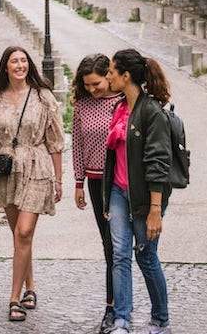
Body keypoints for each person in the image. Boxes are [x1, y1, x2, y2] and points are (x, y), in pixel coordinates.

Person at [0, 46, 65, 322]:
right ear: (6, 67)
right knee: (19, 234)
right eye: (14, 61)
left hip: (37, 166)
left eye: (24, 61)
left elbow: (55, 141)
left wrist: (59, 179)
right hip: (5, 170)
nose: (20, 65)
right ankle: (31, 286)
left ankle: (14, 299)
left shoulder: (43, 97)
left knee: (24, 232)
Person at [104, 49, 173, 334]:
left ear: (126, 76)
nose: (108, 76)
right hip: (119, 193)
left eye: (111, 72)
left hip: (145, 200)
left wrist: (156, 211)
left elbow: (158, 163)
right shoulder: (119, 108)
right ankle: (122, 320)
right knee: (120, 255)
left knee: (145, 256)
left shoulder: (151, 112)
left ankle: (160, 319)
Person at [72, 53, 122, 334]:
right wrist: (78, 183)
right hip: (94, 181)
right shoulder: (81, 105)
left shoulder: (122, 102)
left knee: (121, 246)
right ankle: (111, 307)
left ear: (108, 76)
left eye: (96, 83)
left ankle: (120, 305)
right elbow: (77, 145)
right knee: (108, 245)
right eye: (87, 85)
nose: (92, 89)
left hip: (120, 180)